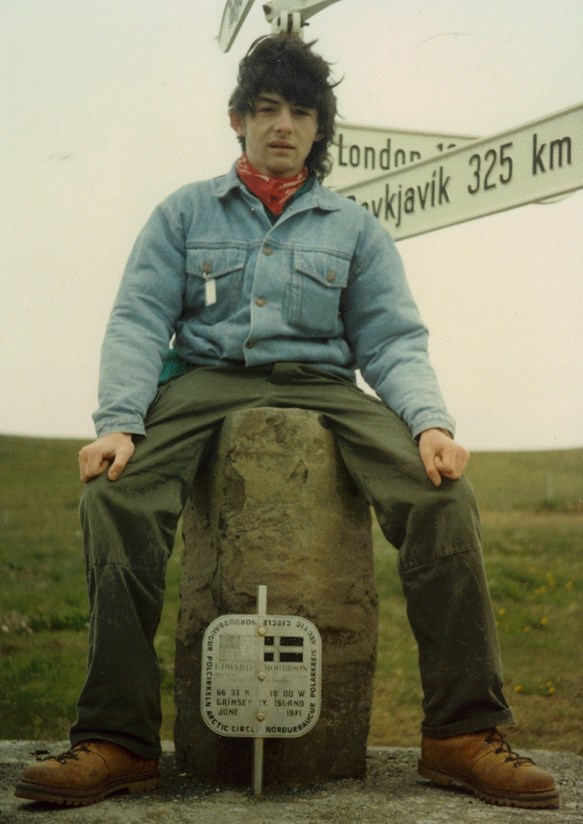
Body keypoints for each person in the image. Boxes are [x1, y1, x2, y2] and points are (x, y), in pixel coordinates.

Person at [16, 35, 558, 810]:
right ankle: (117, 739)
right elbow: (138, 320)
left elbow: (391, 340)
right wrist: (119, 423)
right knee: (113, 496)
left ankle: (462, 734)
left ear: (318, 129)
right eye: (267, 109)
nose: (283, 125)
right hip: (205, 381)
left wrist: (429, 425)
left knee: (442, 498)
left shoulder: (354, 228)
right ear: (237, 118)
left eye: (301, 112)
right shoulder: (182, 212)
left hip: (323, 385)